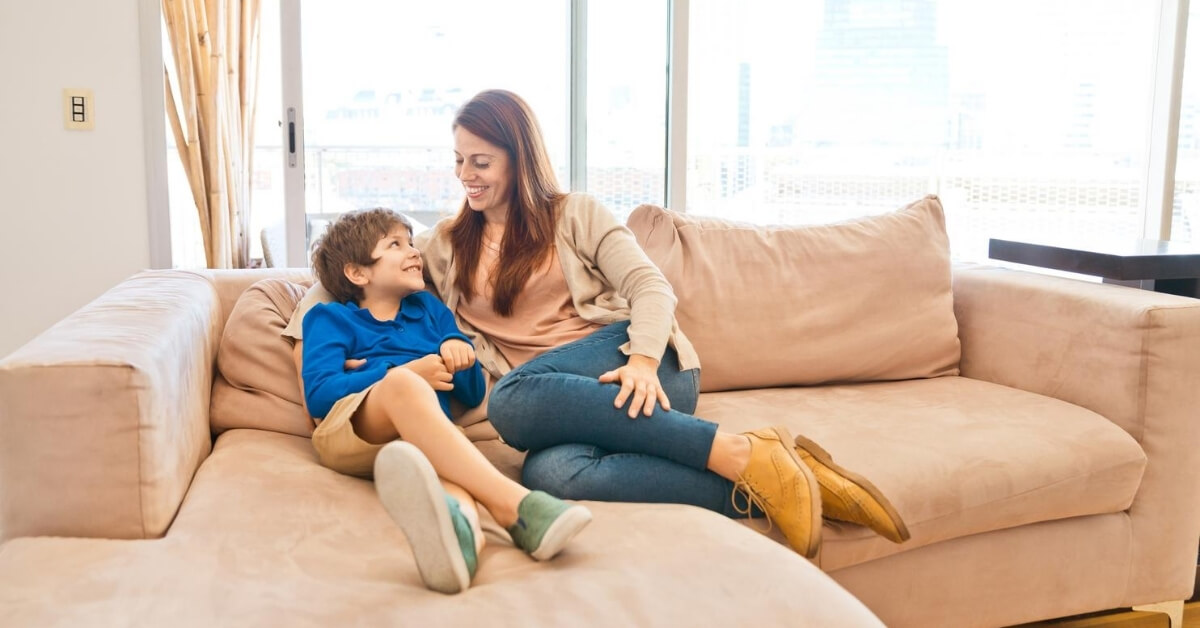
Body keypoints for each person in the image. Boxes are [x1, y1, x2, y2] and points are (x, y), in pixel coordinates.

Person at [287, 90, 909, 558]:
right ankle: (778, 480)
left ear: (519, 158)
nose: (466, 176)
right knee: (549, 474)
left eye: (480, 161)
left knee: (513, 403)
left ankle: (739, 449)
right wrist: (301, 329)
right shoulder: (448, 243)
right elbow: (353, 267)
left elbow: (649, 287)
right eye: (458, 162)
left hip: (644, 367)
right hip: (560, 401)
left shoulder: (577, 214)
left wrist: (641, 359)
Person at [300, 207, 592, 595]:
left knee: (454, 490)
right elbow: (320, 395)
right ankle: (517, 505)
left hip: (425, 439)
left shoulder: (430, 311)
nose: (413, 250)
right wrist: (398, 372)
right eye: (395, 244)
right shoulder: (331, 319)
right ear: (358, 273)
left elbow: (470, 393)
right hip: (351, 431)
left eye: (410, 241)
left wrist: (459, 351)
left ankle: (465, 542)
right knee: (405, 385)